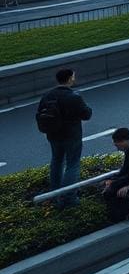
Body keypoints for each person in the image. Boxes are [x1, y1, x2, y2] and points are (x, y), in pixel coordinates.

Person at [36, 68, 92, 208]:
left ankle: (55, 194)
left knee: (56, 161)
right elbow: (87, 114)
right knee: (72, 164)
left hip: (53, 135)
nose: (74, 78)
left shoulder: (47, 95)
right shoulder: (74, 96)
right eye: (73, 76)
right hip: (72, 136)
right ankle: (69, 197)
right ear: (69, 79)